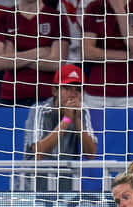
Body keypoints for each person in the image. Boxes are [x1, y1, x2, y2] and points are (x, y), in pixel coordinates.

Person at [0, 0, 67, 106]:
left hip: (47, 98)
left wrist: (14, 56)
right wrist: (39, 51)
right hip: (10, 96)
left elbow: (56, 63)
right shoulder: (5, 16)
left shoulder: (56, 18)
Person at [22, 63, 97, 191]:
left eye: (78, 90)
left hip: (66, 188)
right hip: (35, 188)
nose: (73, 94)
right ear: (54, 91)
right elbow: (39, 153)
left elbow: (91, 154)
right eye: (67, 88)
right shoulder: (40, 110)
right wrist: (66, 120)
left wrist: (77, 120)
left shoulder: (82, 110)